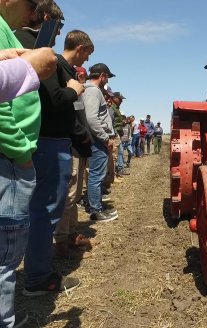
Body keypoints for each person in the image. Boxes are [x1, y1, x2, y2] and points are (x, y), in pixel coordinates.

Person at [17, 25, 91, 298]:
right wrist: (73, 90)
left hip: (56, 143)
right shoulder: (50, 62)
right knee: (44, 212)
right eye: (54, 28)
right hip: (51, 144)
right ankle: (37, 277)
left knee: (42, 211)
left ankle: (37, 270)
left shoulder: (57, 65)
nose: (56, 36)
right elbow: (53, 102)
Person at [0, 1, 49, 326]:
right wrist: (21, 152)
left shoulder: (5, 32)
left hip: (13, 155)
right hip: (10, 156)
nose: (34, 15)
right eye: (33, 4)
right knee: (5, 256)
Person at [52, 30, 95, 259]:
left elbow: (76, 111)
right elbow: (61, 107)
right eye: (87, 53)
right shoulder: (57, 67)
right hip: (68, 142)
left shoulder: (69, 72)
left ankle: (69, 233)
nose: (86, 60)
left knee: (74, 193)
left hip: (77, 141)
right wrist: (80, 133)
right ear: (80, 48)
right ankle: (60, 240)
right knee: (67, 195)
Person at [83, 63, 119, 222]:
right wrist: (105, 138)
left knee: (97, 175)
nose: (107, 81)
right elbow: (91, 119)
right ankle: (95, 211)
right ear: (102, 75)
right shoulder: (93, 91)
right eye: (107, 77)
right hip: (97, 140)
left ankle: (96, 205)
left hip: (96, 139)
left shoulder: (90, 90)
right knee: (96, 175)